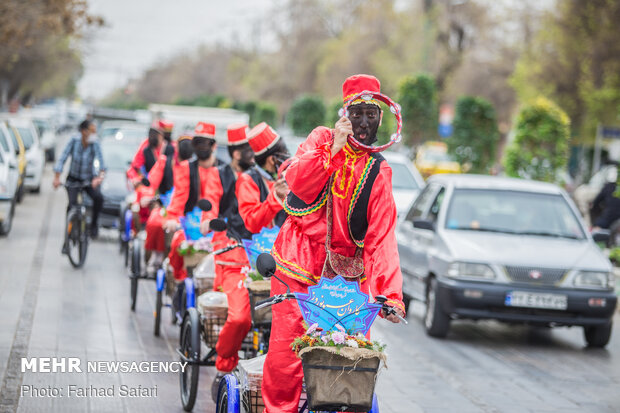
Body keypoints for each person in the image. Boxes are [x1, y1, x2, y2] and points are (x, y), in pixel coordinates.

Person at [261, 74, 405, 412]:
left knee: (352, 365)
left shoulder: (378, 169)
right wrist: (333, 149)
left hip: (344, 284)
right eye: (357, 114)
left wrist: (391, 296)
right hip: (298, 269)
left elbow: (381, 237)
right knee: (286, 359)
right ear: (345, 114)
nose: (364, 122)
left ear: (380, 118)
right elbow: (297, 180)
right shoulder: (321, 139)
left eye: (371, 114)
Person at [200, 124, 255, 397]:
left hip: (262, 254)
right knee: (239, 318)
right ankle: (224, 365)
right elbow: (209, 203)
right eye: (247, 149)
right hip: (229, 252)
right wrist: (207, 221)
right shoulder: (217, 175)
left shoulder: (261, 176)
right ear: (234, 152)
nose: (252, 154)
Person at [163, 122, 217, 283]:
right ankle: (179, 283)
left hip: (216, 225)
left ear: (213, 146)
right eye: (197, 143)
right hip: (189, 222)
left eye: (204, 143)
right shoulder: (186, 168)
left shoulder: (222, 169)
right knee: (177, 242)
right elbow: (179, 196)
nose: (200, 147)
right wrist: (172, 218)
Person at [143, 132, 194, 274]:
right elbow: (151, 183)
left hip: (188, 211)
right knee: (154, 222)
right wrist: (147, 196)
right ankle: (157, 253)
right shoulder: (165, 162)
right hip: (166, 205)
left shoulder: (196, 168)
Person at [53, 119, 106, 241]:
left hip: (88, 180)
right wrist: (57, 177)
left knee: (99, 198)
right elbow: (63, 158)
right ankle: (68, 234)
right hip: (73, 179)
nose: (94, 134)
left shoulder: (95, 143)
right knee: (72, 205)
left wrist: (98, 178)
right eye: (92, 131)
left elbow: (102, 163)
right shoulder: (74, 140)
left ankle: (93, 226)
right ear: (84, 131)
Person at [236, 122, 290, 232]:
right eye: (283, 154)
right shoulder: (247, 180)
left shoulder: (282, 177)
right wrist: (276, 198)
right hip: (256, 246)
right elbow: (252, 223)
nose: (287, 158)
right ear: (271, 160)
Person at [126, 120, 174, 225]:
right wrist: (136, 180)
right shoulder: (146, 149)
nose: (151, 136)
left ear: (161, 135)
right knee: (140, 201)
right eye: (150, 133)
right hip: (148, 185)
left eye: (155, 134)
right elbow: (134, 167)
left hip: (167, 188)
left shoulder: (171, 149)